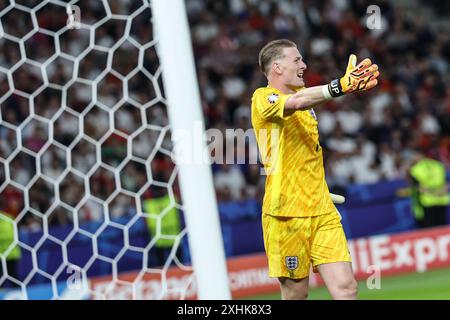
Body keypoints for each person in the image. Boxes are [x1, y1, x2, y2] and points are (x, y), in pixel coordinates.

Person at [251, 39, 380, 300]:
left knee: (346, 288)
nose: (304, 65)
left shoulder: (308, 105)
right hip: (286, 215)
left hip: (321, 209)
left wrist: (316, 188)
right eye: (296, 60)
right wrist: (340, 86)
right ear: (276, 67)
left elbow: (304, 154)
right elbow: (295, 102)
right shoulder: (262, 98)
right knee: (297, 294)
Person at [402, 152, 450, 228]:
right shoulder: (438, 165)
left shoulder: (415, 169)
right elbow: (446, 183)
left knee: (428, 227)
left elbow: (417, 186)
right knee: (442, 226)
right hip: (442, 199)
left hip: (427, 201)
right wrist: (439, 192)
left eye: (414, 156)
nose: (413, 158)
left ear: (419, 155)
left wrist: (432, 192)